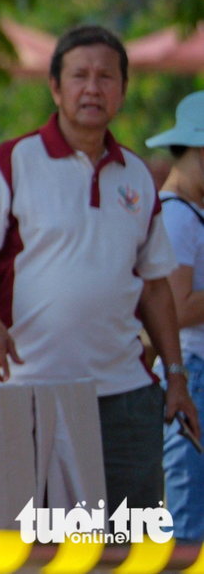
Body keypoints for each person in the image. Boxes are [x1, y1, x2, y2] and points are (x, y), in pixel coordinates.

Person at [0, 25, 199, 512]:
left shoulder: (139, 176)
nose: (93, 87)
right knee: (42, 545)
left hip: (125, 395)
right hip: (29, 390)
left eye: (106, 77)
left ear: (123, 91)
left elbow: (156, 290)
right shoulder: (13, 161)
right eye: (79, 75)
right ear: (55, 88)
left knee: (132, 543)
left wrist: (176, 377)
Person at [145, 92, 204, 541]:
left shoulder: (188, 213)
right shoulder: (179, 218)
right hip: (191, 371)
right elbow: (178, 307)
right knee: (188, 509)